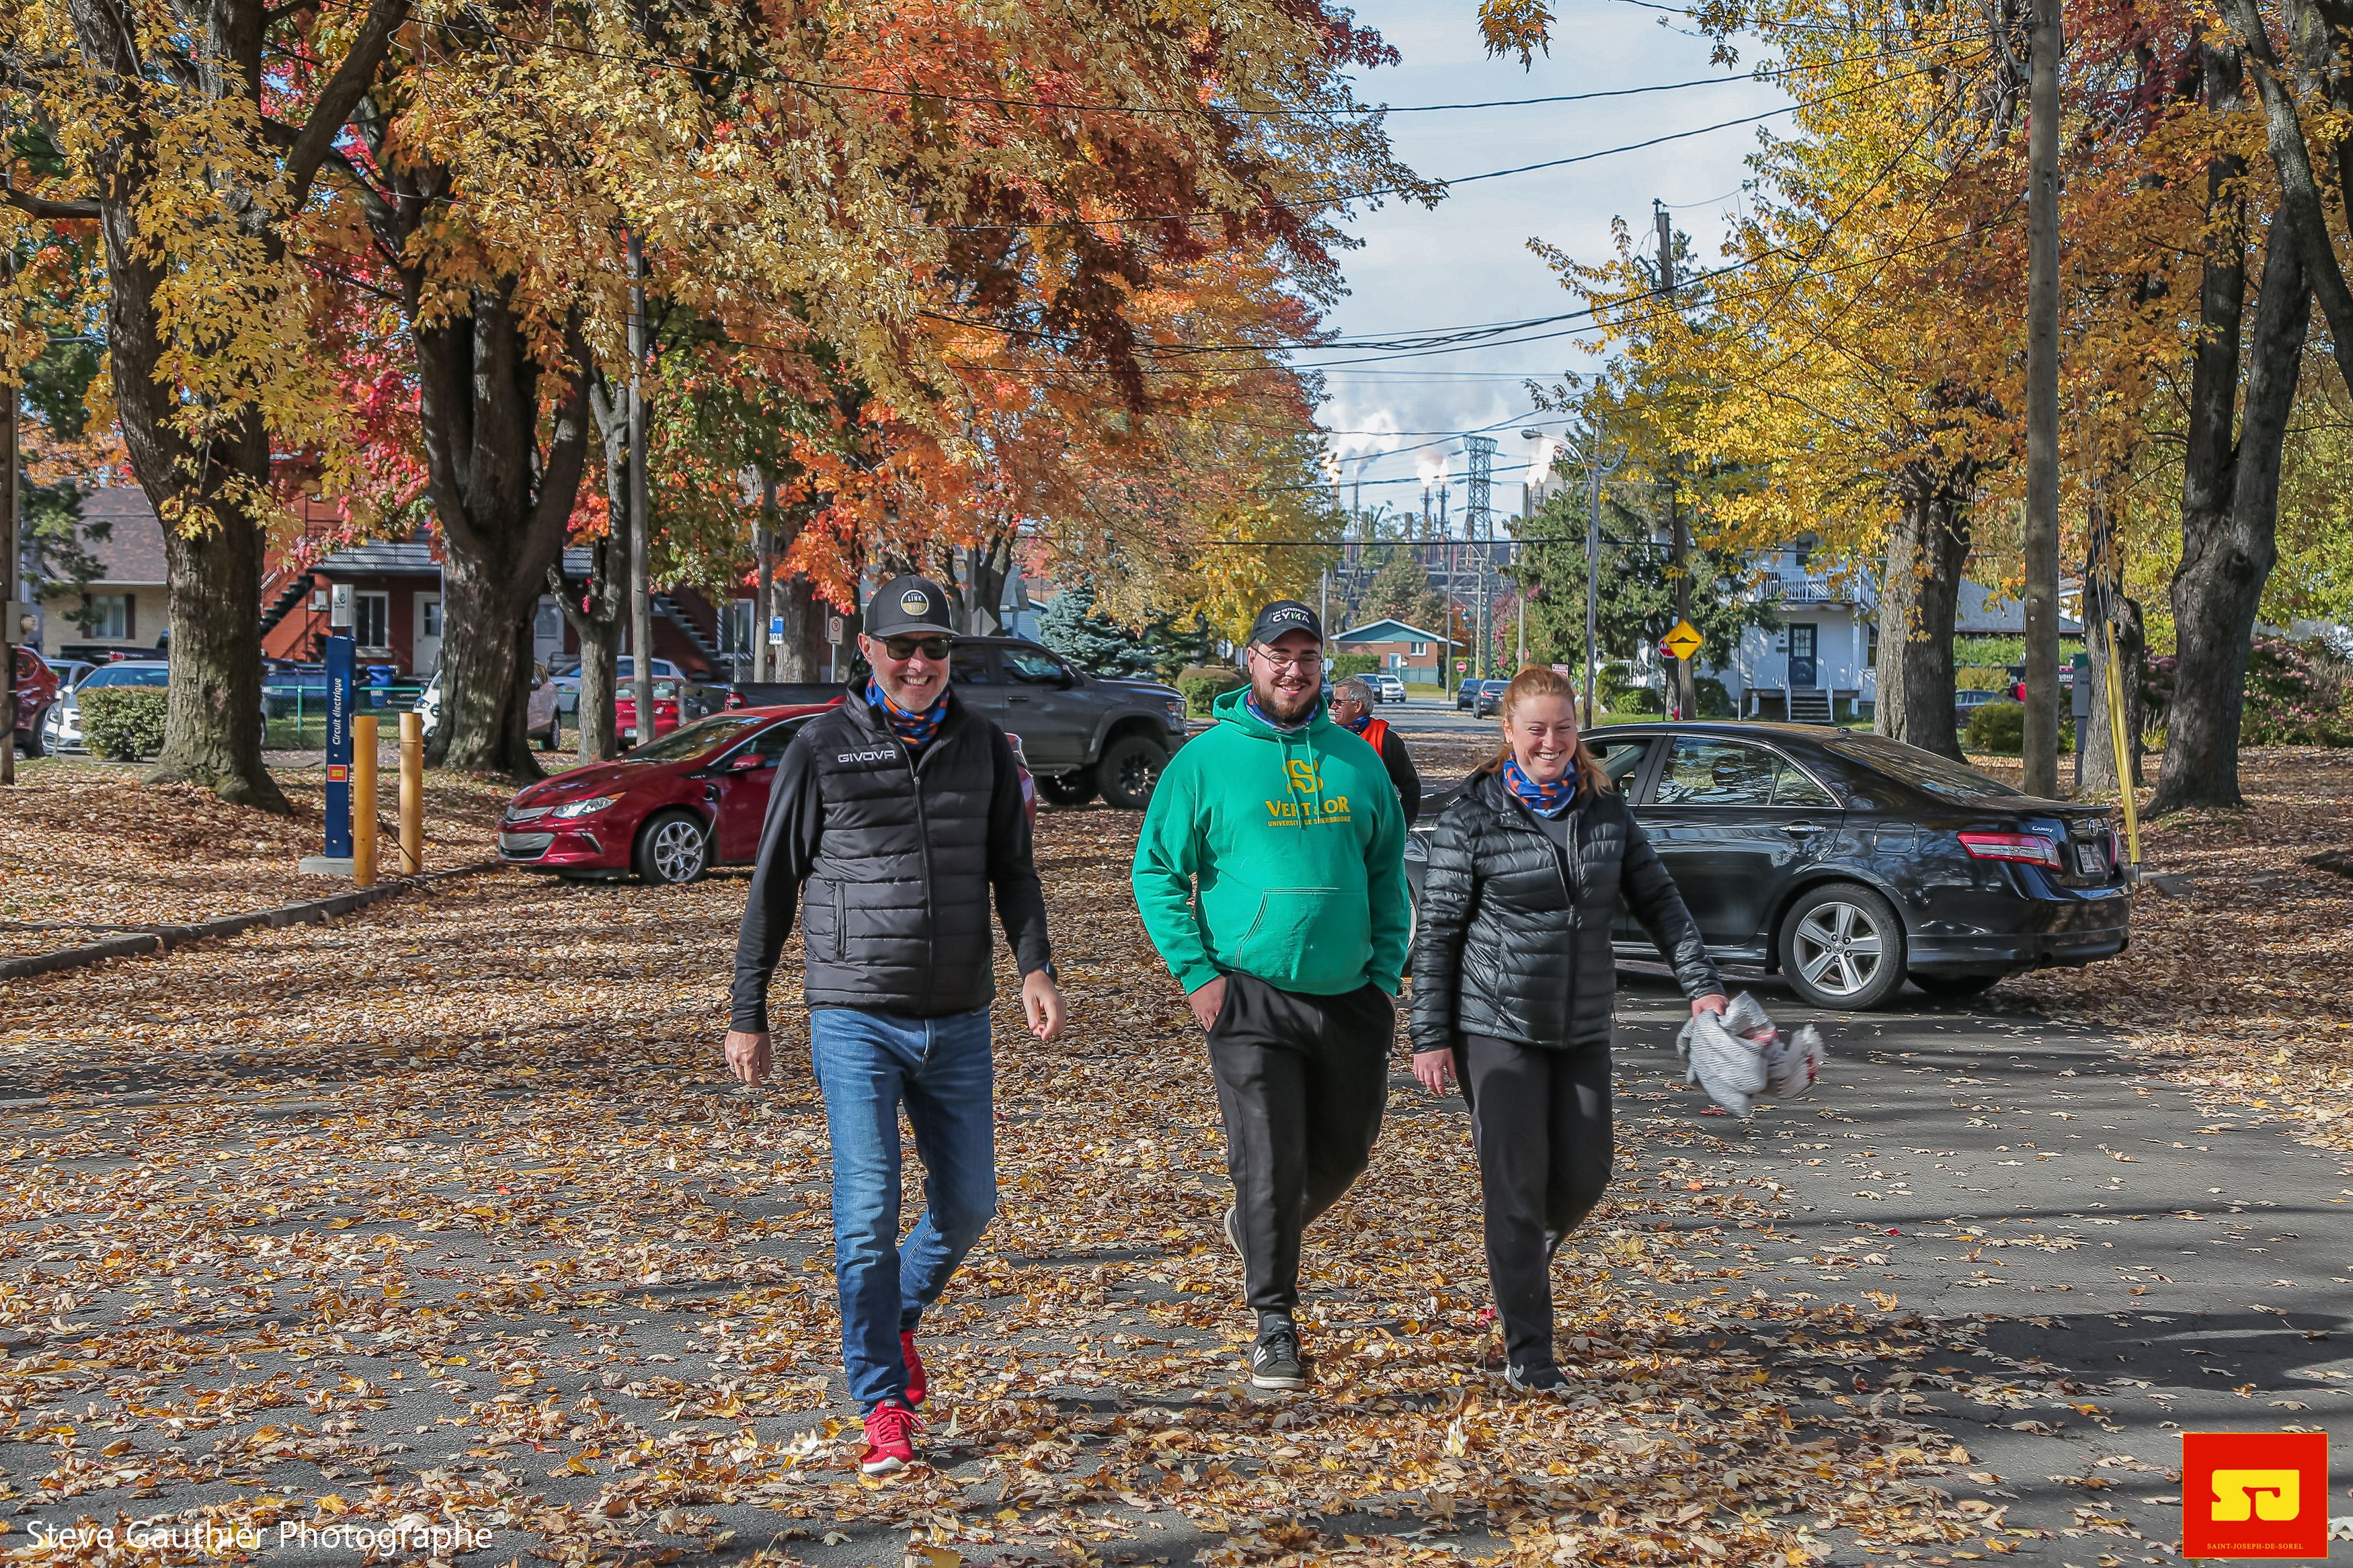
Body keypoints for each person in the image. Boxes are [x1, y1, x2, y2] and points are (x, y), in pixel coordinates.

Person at [723, 575, 1068, 1476]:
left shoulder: (983, 746)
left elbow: (1014, 870)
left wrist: (1035, 965)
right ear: (869, 651)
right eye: (903, 648)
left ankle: (892, 1315)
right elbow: (774, 885)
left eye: (935, 648)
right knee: (867, 1213)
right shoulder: (820, 747)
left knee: (970, 1204)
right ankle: (882, 1403)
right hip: (854, 1015)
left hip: (958, 1015)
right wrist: (747, 1011)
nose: (919, 664)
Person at [1406, 664, 1726, 1393]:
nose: (1550, 742)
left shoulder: (1603, 807)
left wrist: (1702, 985)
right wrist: (1430, 1035)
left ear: (1577, 729)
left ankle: (1522, 1251)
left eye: (1563, 728)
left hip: (1580, 1023)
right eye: (1536, 729)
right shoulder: (1473, 816)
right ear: (1508, 731)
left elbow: (1661, 901)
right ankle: (1529, 1350)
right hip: (1495, 1023)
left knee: (1585, 1172)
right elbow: (1439, 934)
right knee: (1514, 1185)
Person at [1131, 601, 1412, 1393]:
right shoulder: (1205, 761)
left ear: (1323, 665)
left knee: (1345, 1152)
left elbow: (1388, 873)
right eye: (1278, 655)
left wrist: (1384, 974)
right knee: (1269, 1154)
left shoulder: (1357, 759)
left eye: (1306, 656)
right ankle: (1273, 1322)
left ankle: (1255, 1223)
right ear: (1249, 660)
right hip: (1248, 997)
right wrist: (1198, 975)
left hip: (1350, 995)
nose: (1293, 670)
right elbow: (1156, 871)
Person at [1329, 675, 1421, 822]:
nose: (1333, 706)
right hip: (1336, 827)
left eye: (1339, 702)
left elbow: (1411, 788)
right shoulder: (1329, 738)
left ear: (1357, 706)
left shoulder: (1386, 740)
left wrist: (1401, 826)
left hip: (1374, 828)